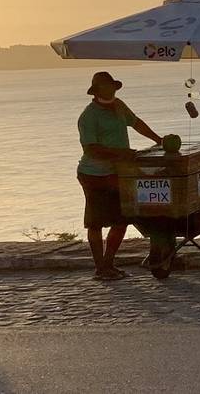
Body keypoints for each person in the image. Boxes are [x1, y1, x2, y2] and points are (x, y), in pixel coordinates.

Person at [76, 71, 163, 281]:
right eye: (106, 87)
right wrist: (120, 153)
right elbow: (90, 148)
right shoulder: (88, 116)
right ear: (97, 91)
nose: (111, 90)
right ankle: (101, 267)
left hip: (117, 172)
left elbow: (136, 122)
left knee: (121, 219)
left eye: (113, 86)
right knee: (95, 222)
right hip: (93, 174)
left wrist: (158, 139)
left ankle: (108, 264)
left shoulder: (119, 105)